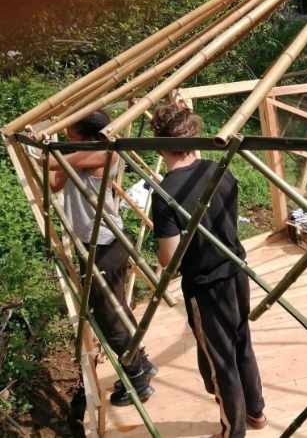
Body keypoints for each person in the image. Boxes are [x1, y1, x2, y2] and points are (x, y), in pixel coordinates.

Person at [149, 103, 266, 438]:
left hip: (205, 283)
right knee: (241, 340)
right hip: (236, 272)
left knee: (219, 357)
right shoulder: (220, 171)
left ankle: (234, 430)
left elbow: (169, 260)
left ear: (159, 145)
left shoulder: (166, 193)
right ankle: (255, 412)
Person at [48, 111, 156, 406]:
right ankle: (142, 363)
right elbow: (55, 183)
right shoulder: (81, 154)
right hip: (93, 245)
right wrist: (54, 150)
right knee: (117, 308)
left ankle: (136, 379)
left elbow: (51, 161)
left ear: (83, 133)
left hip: (106, 246)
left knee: (109, 316)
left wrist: (48, 147)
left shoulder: (102, 153)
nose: (66, 134)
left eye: (69, 129)